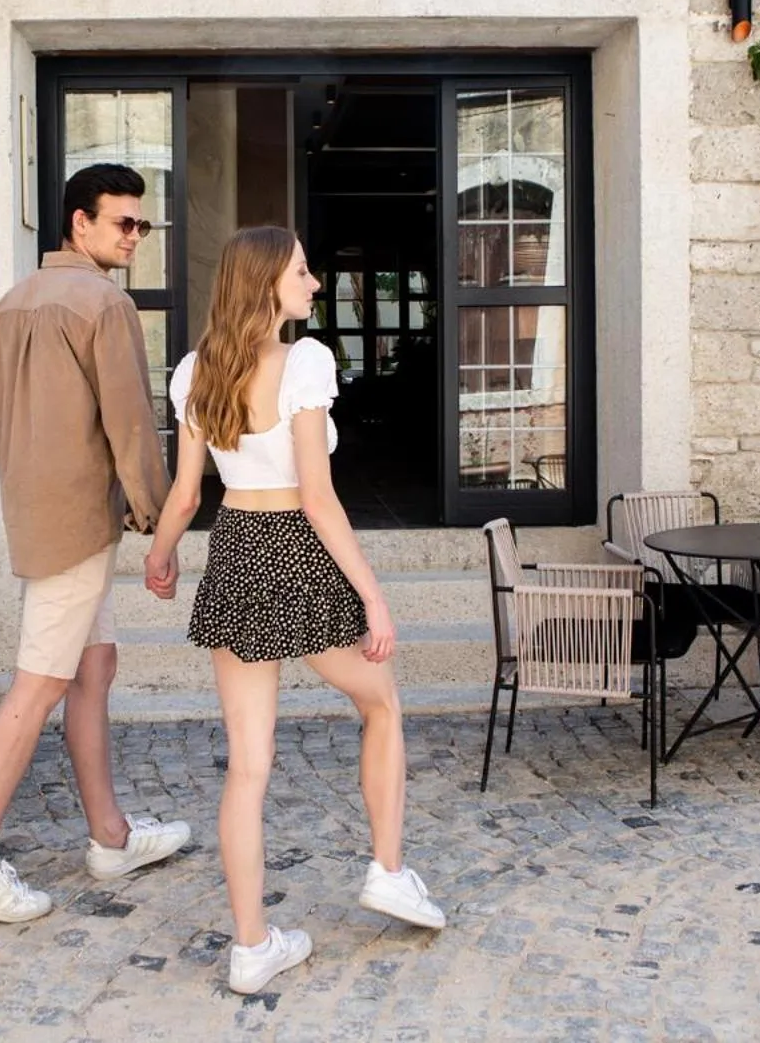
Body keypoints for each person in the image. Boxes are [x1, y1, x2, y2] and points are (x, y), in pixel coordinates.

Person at [145, 225, 445, 996]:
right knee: (381, 702)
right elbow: (318, 497)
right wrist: (373, 596)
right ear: (266, 284)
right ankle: (387, 869)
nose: (314, 284)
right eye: (303, 272)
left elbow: (186, 494)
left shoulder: (193, 370)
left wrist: (161, 551)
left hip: (238, 545)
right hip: (296, 549)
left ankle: (251, 947)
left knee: (247, 765)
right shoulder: (306, 363)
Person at [0, 163, 191, 923]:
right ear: (79, 223)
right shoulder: (104, 304)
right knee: (39, 683)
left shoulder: (13, 303)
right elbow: (130, 421)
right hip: (78, 521)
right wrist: (156, 520)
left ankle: (111, 836)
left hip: (39, 518)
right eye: (123, 223)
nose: (135, 237)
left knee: (93, 664)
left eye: (141, 224)